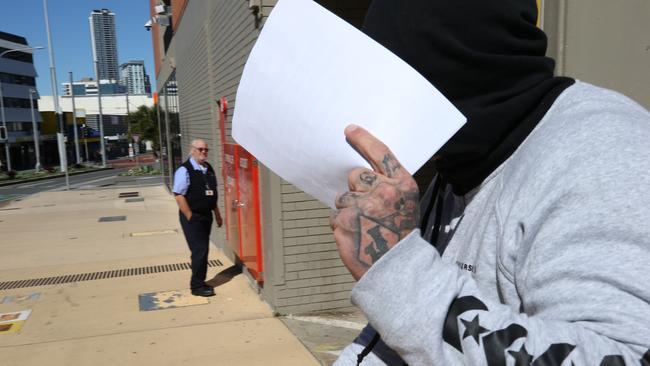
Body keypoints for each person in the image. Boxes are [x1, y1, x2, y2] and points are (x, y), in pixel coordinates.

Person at [330, 1, 650, 365]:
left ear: (452, 65)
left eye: (394, 77)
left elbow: (621, 356)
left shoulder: (602, 154)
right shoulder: (461, 163)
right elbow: (406, 339)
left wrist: (397, 272)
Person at [173, 139, 223, 297]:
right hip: (193, 218)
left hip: (206, 215)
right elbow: (179, 194)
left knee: (203, 250)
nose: (203, 152)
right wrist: (190, 216)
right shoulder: (184, 170)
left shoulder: (207, 168)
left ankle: (200, 281)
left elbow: (212, 193)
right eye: (200, 149)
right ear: (192, 150)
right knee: (199, 251)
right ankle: (197, 286)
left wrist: (217, 213)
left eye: (206, 150)